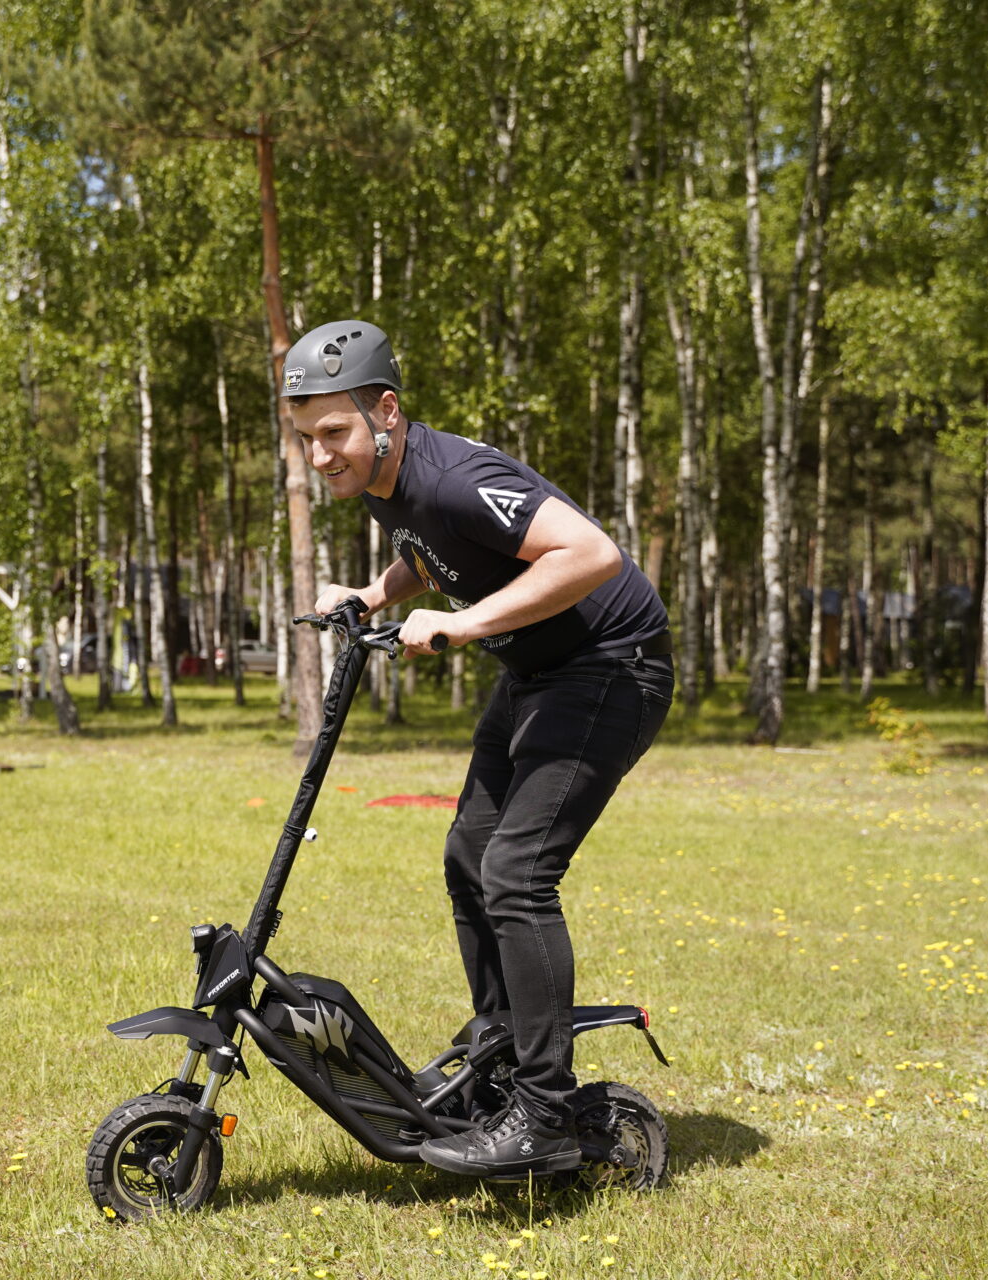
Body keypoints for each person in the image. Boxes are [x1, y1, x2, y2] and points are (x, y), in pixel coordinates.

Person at [282, 319, 671, 1177]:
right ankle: (501, 1058)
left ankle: (544, 1117)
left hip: (610, 669)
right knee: (468, 857)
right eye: (306, 439)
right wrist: (376, 592)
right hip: (538, 671)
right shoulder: (389, 478)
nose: (320, 456)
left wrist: (464, 626)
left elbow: (591, 553)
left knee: (518, 874)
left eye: (334, 433)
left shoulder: (457, 476)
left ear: (387, 410)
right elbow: (436, 554)